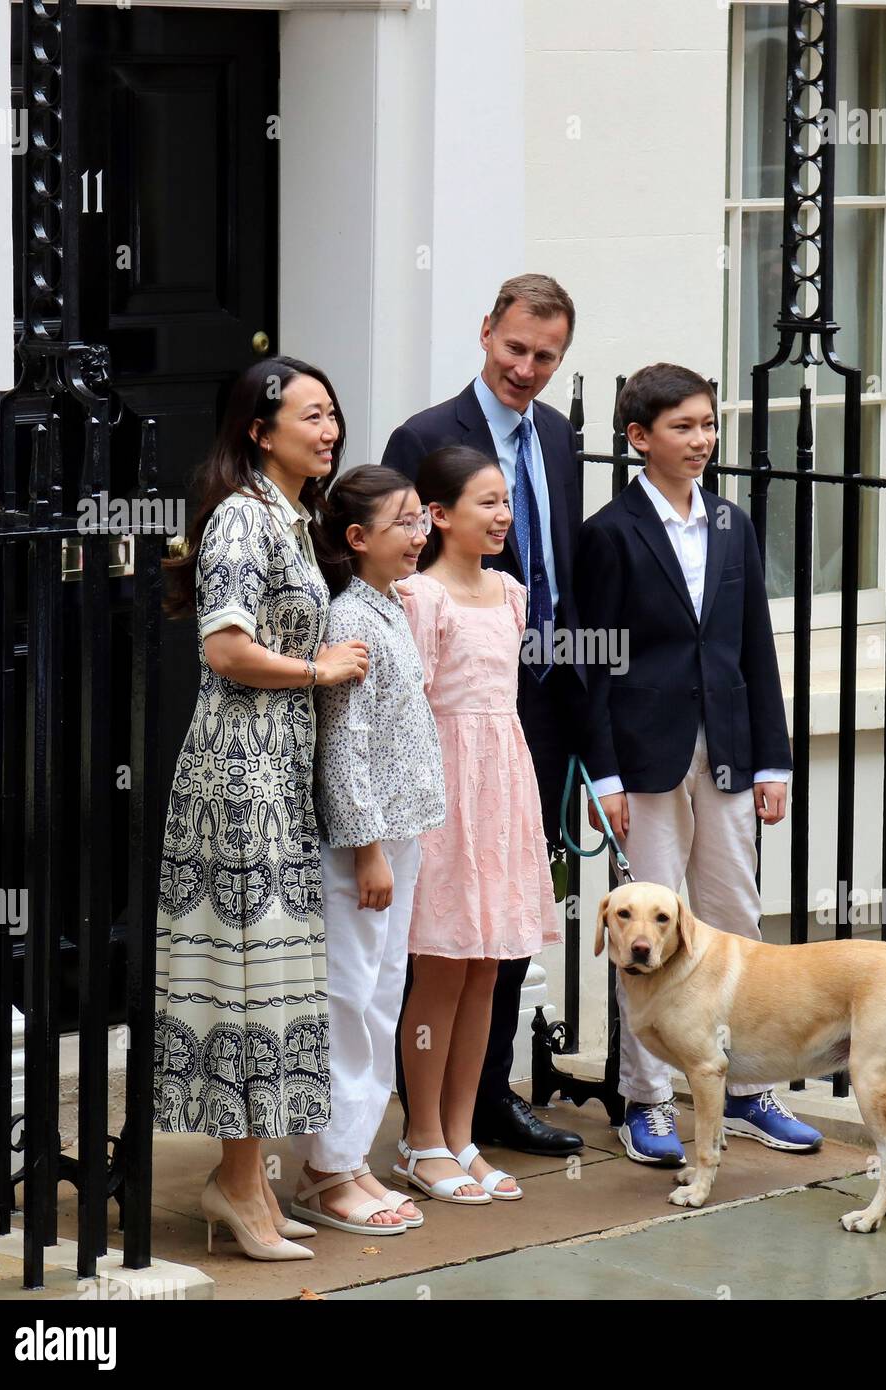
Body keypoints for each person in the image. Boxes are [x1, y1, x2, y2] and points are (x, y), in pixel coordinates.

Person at [574, 363, 824, 1165]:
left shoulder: (730, 525)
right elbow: (590, 661)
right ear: (638, 437)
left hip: (727, 751)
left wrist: (772, 761)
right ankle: (645, 1102)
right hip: (643, 762)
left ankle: (747, 1089)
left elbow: (753, 642)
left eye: (708, 424)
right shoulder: (609, 532)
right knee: (643, 935)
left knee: (733, 919)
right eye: (682, 427)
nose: (701, 440)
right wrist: (602, 776)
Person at [154, 356, 370, 1260]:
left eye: (332, 414)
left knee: (273, 984)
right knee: (246, 983)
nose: (328, 430)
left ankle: (246, 1180)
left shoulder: (293, 516)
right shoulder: (245, 517)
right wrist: (323, 668)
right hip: (236, 783)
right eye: (310, 416)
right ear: (259, 429)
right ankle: (238, 1185)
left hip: (276, 776)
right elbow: (226, 650)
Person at [381, 273, 584, 1157]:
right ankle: (424, 1117)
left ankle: (487, 1099)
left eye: (545, 356)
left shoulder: (561, 436)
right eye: (514, 349)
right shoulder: (425, 437)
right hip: (445, 716)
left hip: (531, 707)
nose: (527, 369)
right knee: (440, 929)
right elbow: (396, 582)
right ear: (484, 334)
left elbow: (562, 573)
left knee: (502, 921)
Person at [392, 446, 562, 1204]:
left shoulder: (512, 593)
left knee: (488, 967)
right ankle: (419, 1138)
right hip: (444, 793)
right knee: (440, 966)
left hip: (503, 786)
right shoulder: (417, 598)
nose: (501, 516)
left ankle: (460, 1135)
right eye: (485, 502)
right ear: (439, 514)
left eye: (505, 502)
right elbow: (409, 712)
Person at [290, 466, 443, 1235]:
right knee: (351, 999)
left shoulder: (392, 609)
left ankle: (348, 1156)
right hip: (364, 846)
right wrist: (368, 850)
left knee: (381, 996)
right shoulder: (347, 619)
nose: (420, 535)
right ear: (357, 540)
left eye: (422, 520)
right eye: (403, 523)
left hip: (400, 835)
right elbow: (342, 750)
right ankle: (325, 1170)